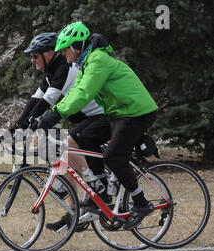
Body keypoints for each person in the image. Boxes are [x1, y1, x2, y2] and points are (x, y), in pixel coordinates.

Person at [39, 21, 158, 231]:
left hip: (136, 112)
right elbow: (77, 91)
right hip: (118, 113)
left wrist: (56, 113)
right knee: (83, 136)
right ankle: (100, 192)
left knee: (113, 156)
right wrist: (54, 112)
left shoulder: (98, 61)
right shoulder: (85, 63)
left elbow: (85, 94)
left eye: (66, 50)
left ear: (77, 47)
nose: (64, 54)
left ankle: (142, 203)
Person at [10, 32, 112, 215]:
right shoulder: (51, 71)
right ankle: (74, 213)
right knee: (64, 159)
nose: (33, 60)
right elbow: (36, 99)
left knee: (66, 149)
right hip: (86, 119)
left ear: (49, 53)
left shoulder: (64, 68)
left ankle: (97, 187)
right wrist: (16, 127)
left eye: (35, 55)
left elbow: (48, 101)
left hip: (99, 117)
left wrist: (32, 124)